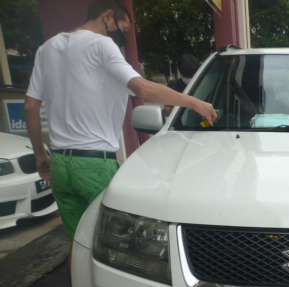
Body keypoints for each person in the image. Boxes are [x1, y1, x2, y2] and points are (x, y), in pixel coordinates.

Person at [24, 0, 216, 245]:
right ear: (108, 17)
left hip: (60, 163)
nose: (122, 37)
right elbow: (143, 89)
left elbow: (30, 106)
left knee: (78, 241)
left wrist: (40, 155)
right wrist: (196, 102)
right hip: (94, 163)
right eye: (123, 29)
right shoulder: (102, 44)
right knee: (118, 244)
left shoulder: (47, 48)